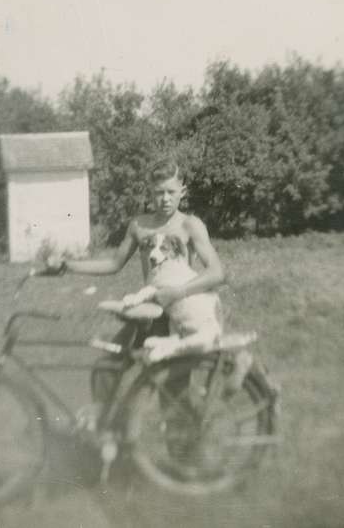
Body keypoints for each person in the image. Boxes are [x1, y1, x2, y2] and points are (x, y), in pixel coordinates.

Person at [67, 156, 226, 420]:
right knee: (106, 367)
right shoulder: (139, 225)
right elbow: (113, 263)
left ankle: (185, 456)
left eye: (171, 192)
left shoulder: (190, 225)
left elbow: (217, 272)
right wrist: (69, 265)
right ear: (150, 192)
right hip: (148, 315)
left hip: (178, 314)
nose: (165, 198)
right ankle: (106, 436)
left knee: (172, 391)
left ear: (182, 191)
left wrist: (179, 292)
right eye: (158, 192)